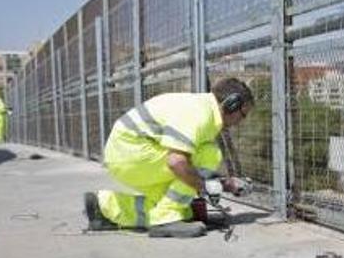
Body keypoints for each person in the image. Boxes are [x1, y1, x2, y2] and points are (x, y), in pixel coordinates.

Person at [84, 78, 254, 238]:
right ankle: (165, 220)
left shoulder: (201, 107)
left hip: (127, 154)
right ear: (231, 105)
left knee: (182, 210)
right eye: (243, 114)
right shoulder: (199, 114)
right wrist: (205, 186)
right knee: (210, 153)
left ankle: (103, 206)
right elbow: (177, 162)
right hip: (132, 154)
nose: (242, 121)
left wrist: (224, 184)